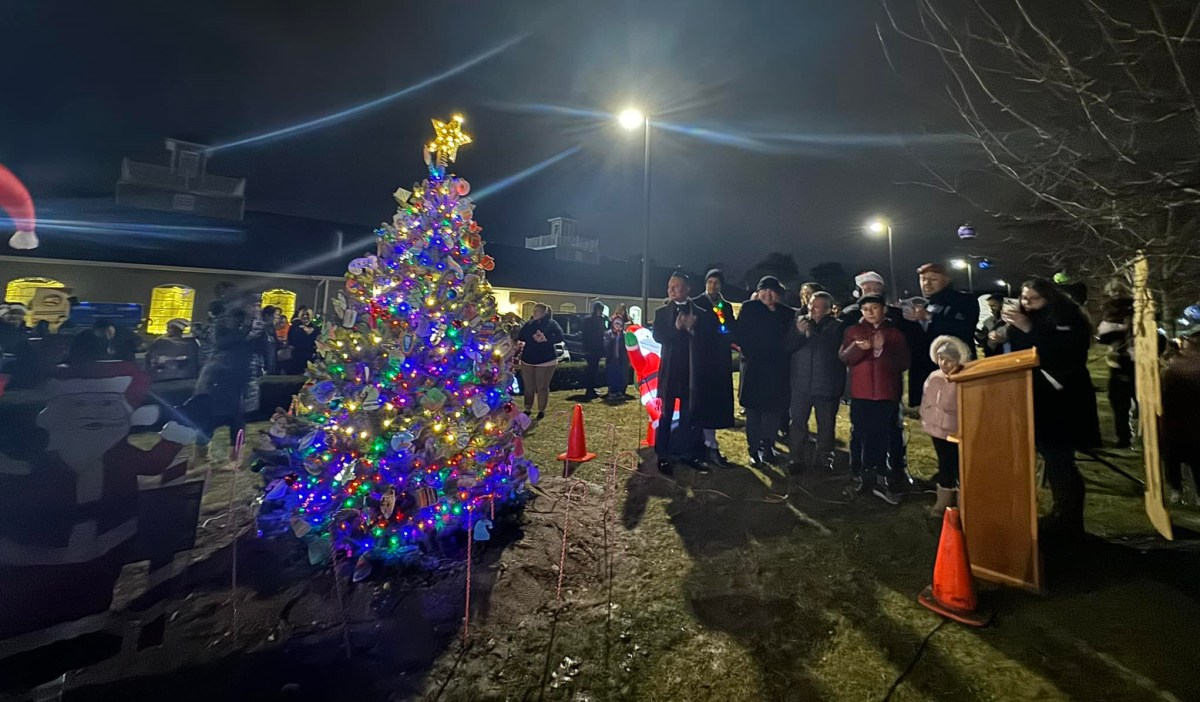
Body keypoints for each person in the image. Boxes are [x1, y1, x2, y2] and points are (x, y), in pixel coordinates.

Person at [1004, 278, 1101, 538]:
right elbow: (1022, 351)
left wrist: (1027, 328)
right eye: (1023, 298)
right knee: (1053, 457)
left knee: (1061, 459)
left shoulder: (1068, 317)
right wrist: (1001, 336)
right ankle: (1061, 513)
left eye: (1032, 299)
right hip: (1037, 396)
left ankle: (1069, 519)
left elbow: (1061, 353)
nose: (1026, 303)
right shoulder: (1032, 318)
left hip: (1064, 400)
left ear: (1050, 297)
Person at [841, 272, 923, 491]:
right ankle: (859, 470)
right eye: (866, 288)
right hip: (861, 389)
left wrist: (882, 350)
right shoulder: (851, 320)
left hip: (888, 390)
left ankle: (894, 469)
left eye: (875, 287)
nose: (871, 291)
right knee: (860, 431)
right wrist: (859, 347)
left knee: (891, 430)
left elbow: (905, 356)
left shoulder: (896, 324)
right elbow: (844, 354)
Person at [651, 272, 709, 475]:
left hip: (691, 373)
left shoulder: (701, 311)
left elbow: (708, 340)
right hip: (670, 372)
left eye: (676, 287)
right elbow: (658, 336)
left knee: (689, 416)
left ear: (687, 289)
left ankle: (688, 453)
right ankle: (663, 455)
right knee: (665, 415)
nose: (672, 290)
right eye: (669, 287)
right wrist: (676, 328)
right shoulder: (661, 312)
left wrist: (693, 330)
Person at [737, 276, 795, 467]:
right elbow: (741, 335)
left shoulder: (786, 313)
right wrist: (750, 353)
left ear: (778, 294)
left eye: (772, 291)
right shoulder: (750, 308)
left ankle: (768, 444)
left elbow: (790, 339)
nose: (767, 295)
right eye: (764, 290)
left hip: (778, 368)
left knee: (773, 409)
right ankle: (754, 449)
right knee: (754, 411)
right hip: (755, 366)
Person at [904, 263, 979, 407]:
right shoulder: (925, 304)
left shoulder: (965, 301)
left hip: (955, 370)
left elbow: (965, 328)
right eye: (923, 279)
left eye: (933, 279)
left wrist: (930, 317)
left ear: (947, 279)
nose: (927, 283)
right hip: (929, 374)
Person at [785, 291, 843, 473]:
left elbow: (831, 348)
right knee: (797, 423)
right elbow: (786, 347)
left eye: (817, 306)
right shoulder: (798, 323)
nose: (812, 309)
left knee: (825, 424)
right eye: (811, 305)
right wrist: (799, 333)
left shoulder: (837, 327)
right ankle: (796, 457)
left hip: (826, 384)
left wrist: (810, 333)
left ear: (828, 310)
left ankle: (824, 458)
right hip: (800, 383)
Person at [690, 269, 737, 467]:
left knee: (716, 404)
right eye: (710, 281)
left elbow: (732, 329)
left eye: (716, 282)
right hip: (701, 361)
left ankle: (711, 445)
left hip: (720, 361)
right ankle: (702, 446)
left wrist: (726, 333)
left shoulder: (724, 306)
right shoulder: (696, 303)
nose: (713, 286)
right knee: (701, 403)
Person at [920, 335, 970, 517]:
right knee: (945, 465)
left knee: (958, 467)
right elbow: (927, 401)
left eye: (949, 360)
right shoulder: (934, 377)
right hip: (937, 431)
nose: (944, 363)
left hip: (956, 431)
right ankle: (943, 503)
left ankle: (961, 504)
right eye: (941, 359)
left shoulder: (965, 380)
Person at [1163, 330, 1200, 503]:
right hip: (1176, 419)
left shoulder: (1181, 365)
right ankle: (1176, 488)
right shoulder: (1176, 364)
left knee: (1193, 459)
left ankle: (1181, 489)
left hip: (1190, 421)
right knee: (1172, 457)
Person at [1097, 295, 1136, 448]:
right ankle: (1124, 437)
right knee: (1120, 406)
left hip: (1136, 367)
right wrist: (1123, 330)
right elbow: (1104, 337)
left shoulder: (1145, 325)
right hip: (1119, 368)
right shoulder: (1113, 325)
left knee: (1131, 405)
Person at [516, 303, 563, 420]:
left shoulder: (551, 324)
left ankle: (541, 409)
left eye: (537, 311)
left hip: (545, 360)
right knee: (528, 386)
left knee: (542, 386)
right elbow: (521, 336)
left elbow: (560, 336)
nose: (534, 313)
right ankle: (527, 408)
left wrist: (546, 339)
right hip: (528, 359)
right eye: (534, 310)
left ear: (544, 313)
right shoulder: (529, 324)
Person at [581, 301, 608, 401]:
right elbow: (585, 334)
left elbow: (602, 331)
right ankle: (589, 390)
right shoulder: (588, 320)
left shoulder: (601, 319)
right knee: (591, 369)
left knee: (595, 369)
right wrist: (586, 348)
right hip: (590, 348)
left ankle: (592, 388)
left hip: (598, 348)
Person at [286, 306, 320, 375]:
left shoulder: (316, 328)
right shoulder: (295, 327)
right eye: (303, 315)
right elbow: (291, 340)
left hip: (312, 356)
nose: (305, 316)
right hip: (298, 356)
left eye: (307, 314)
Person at [603, 315, 630, 400]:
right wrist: (613, 338)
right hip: (612, 359)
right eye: (616, 323)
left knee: (622, 375)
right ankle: (612, 391)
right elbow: (605, 345)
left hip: (622, 360)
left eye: (620, 324)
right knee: (612, 375)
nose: (618, 326)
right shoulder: (608, 334)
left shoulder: (625, 335)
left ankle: (620, 391)